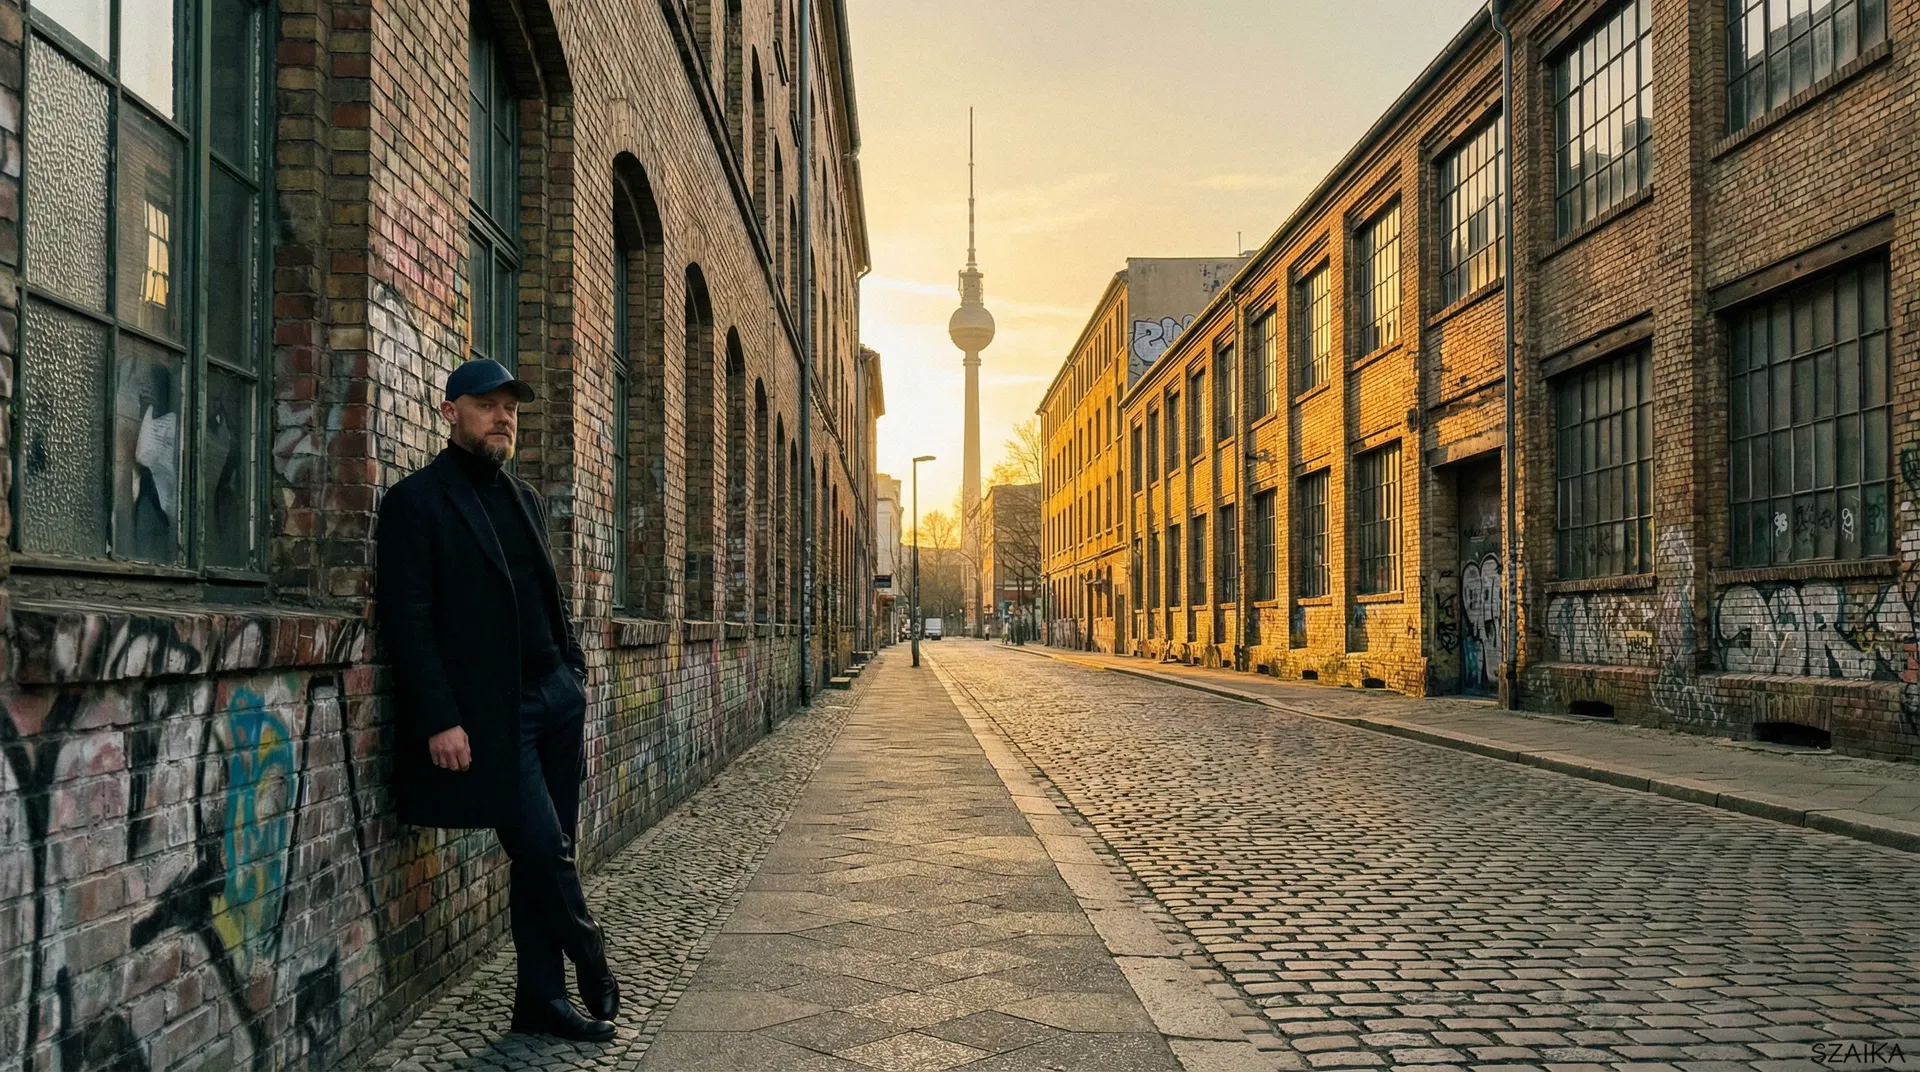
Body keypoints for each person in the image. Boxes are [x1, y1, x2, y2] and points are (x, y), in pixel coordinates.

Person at [375, 359, 619, 1043]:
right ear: (449, 411)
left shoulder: (525, 500)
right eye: (487, 404)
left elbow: (548, 596)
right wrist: (441, 718)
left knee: (551, 852)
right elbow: (409, 621)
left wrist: (572, 671)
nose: (504, 417)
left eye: (511, 407)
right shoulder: (416, 503)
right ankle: (591, 955)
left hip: (555, 699)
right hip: (490, 715)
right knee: (542, 850)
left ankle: (540, 1000)